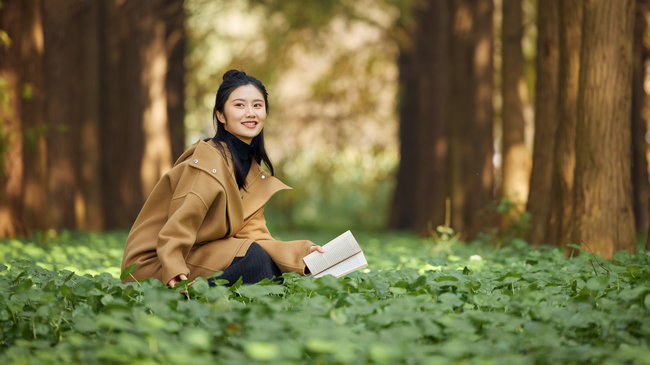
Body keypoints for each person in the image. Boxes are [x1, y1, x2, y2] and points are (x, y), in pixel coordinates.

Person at [121, 70, 323, 288]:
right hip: (154, 264)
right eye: (239, 105)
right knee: (256, 260)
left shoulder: (252, 172)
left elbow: (256, 237)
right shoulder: (208, 163)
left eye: (257, 105)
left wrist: (304, 255)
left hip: (200, 252)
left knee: (264, 262)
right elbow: (179, 224)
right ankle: (190, 294)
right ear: (221, 115)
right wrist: (173, 268)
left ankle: (207, 293)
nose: (250, 113)